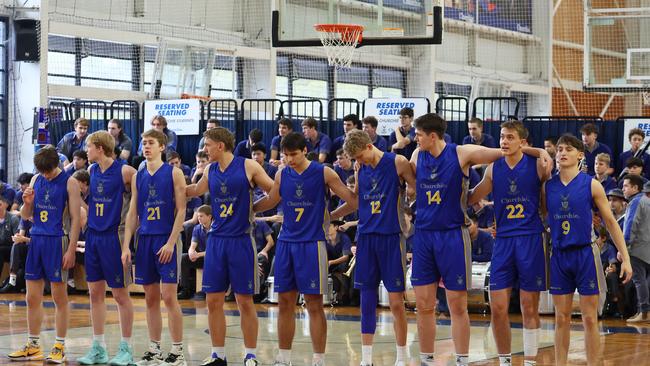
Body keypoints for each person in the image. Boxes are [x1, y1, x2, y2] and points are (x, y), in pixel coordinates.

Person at [408, 113, 549, 366]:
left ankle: (473, 359)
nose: (413, 138)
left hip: (463, 235)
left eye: (418, 134)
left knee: (463, 304)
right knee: (426, 304)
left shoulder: (463, 153)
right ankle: (428, 359)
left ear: (432, 135)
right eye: (503, 136)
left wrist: (539, 151)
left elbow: (501, 152)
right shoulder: (417, 155)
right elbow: (411, 182)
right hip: (428, 235)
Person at [253, 132, 357, 366]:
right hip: (286, 244)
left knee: (314, 304)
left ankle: (318, 359)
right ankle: (283, 358)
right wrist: (249, 208)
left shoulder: (324, 172)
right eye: (285, 155)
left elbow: (352, 201)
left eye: (293, 155)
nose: (289, 159)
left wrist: (332, 216)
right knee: (285, 303)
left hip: (312, 244)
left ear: (304, 151)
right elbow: (271, 199)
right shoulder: (282, 173)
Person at [185, 126, 274, 366]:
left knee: (244, 301)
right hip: (216, 242)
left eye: (207, 145)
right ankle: (218, 354)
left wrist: (256, 208)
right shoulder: (210, 170)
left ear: (220, 145)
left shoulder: (248, 166)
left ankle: (251, 355)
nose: (205, 150)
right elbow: (194, 190)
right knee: (212, 301)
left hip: (241, 241)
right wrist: (171, 184)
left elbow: (274, 191)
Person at [543, 134, 632, 366]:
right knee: (561, 318)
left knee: (590, 319)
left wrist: (626, 256)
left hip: (585, 254)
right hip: (559, 255)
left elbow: (611, 223)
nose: (562, 153)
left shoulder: (591, 184)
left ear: (580, 155)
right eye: (559, 149)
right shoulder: (548, 187)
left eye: (568, 149)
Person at [468, 120, 551, 366]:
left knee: (528, 307)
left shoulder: (538, 164)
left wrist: (543, 152)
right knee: (498, 307)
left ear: (522, 142)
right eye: (502, 136)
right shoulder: (494, 168)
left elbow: (547, 202)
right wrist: (455, 196)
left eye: (510, 137)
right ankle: (504, 360)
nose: (504, 141)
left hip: (530, 239)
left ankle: (530, 361)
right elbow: (475, 194)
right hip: (503, 241)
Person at [339, 129, 416, 366]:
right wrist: (330, 215)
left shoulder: (398, 162)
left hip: (391, 237)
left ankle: (402, 356)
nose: (359, 162)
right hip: (366, 238)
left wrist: (408, 208)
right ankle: (366, 359)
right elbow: (356, 200)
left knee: (395, 302)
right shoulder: (360, 168)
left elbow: (416, 190)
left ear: (370, 146)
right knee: (367, 300)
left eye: (360, 156)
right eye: (355, 159)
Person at [8, 145, 81, 363]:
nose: (45, 175)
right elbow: (26, 214)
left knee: (59, 297)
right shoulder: (35, 180)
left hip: (58, 240)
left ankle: (59, 345)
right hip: (37, 239)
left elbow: (76, 219)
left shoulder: (70, 182)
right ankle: (33, 344)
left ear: (56, 165)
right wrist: (27, 203)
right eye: (41, 171)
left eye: (47, 171)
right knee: (31, 298)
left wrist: (71, 249)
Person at [121, 129, 187, 366]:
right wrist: (126, 245)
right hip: (145, 239)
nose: (146, 146)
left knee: (169, 297)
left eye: (150, 143)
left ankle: (178, 351)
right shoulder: (138, 175)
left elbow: (181, 210)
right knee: (150, 298)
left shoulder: (175, 173)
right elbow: (132, 213)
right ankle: (154, 349)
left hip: (166, 238)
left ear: (162, 147)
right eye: (143, 142)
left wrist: (171, 242)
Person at [76, 131, 137, 366]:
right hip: (94, 237)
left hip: (114, 237)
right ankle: (98, 347)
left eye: (89, 146)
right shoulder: (91, 172)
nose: (86, 150)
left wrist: (130, 231)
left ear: (100, 148)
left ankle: (126, 348)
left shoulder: (125, 171)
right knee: (94, 294)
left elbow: (140, 201)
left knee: (120, 294)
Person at [622, 175, 650, 322]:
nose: (623, 189)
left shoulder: (636, 202)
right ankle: (644, 311)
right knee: (645, 281)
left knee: (639, 280)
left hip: (637, 248)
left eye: (626, 186)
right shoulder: (647, 200)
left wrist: (623, 248)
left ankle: (644, 313)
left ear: (635, 188)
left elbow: (631, 226)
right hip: (648, 248)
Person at [178, 204, 211, 300]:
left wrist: (198, 254)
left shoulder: (216, 228)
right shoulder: (197, 228)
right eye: (198, 216)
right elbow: (193, 245)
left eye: (201, 216)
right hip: (201, 256)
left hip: (214, 257)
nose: (199, 218)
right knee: (184, 258)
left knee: (211, 258)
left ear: (209, 216)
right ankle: (185, 289)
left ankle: (207, 289)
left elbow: (214, 251)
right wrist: (191, 252)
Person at [0, 217, 31, 293]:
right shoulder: (25, 217)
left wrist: (24, 239)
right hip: (27, 249)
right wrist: (17, 238)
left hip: (39, 248)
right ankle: (12, 280)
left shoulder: (41, 218)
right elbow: (21, 237)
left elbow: (40, 241)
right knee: (16, 245)